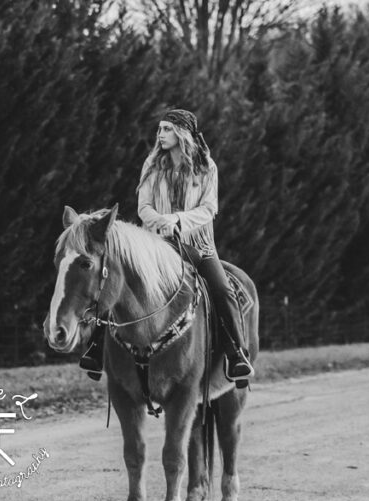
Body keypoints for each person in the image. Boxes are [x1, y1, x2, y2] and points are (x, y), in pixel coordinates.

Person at [79, 107, 254, 381]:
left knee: (223, 290)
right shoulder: (152, 166)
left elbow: (209, 208)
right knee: (115, 278)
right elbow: (143, 205)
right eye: (159, 129)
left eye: (166, 129)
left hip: (198, 245)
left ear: (182, 133)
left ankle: (237, 354)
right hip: (157, 245)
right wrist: (160, 222)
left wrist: (177, 220)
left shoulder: (207, 167)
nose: (160, 135)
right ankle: (96, 349)